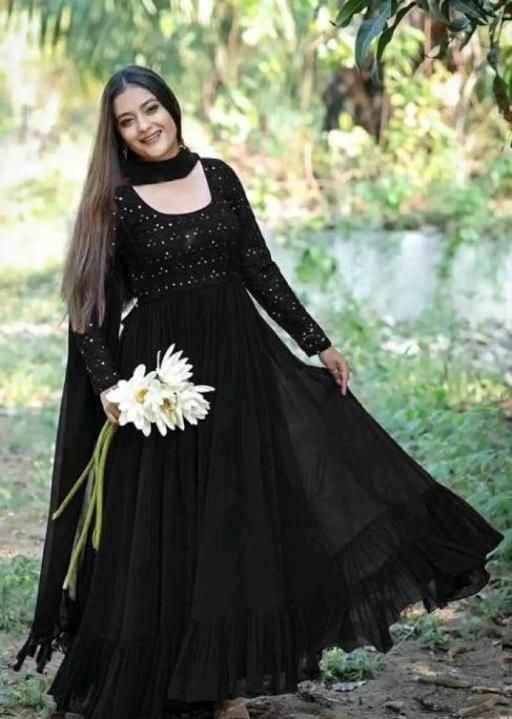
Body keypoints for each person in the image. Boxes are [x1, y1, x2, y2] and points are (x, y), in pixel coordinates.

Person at [11, 64, 503, 719]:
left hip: (238, 366)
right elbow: (88, 307)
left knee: (234, 518)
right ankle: (164, 678)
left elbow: (257, 267)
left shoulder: (217, 176)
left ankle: (224, 684)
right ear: (116, 134)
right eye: (127, 121)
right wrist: (109, 387)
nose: (144, 126)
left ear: (172, 106)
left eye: (151, 109)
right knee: (170, 526)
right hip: (163, 385)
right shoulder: (116, 201)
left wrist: (316, 341)